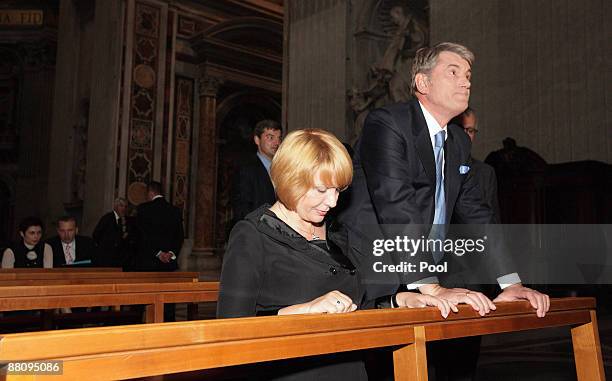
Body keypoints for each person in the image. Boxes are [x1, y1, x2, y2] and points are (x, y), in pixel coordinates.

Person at [218, 129, 453, 381]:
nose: (332, 201)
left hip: (349, 369)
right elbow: (230, 330)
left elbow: (354, 305)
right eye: (321, 190)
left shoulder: (336, 231)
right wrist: (305, 311)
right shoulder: (252, 234)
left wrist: (398, 301)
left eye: (338, 190)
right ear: (290, 179)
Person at [451, 107, 501, 222]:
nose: (465, 136)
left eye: (470, 131)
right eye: (461, 129)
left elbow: (492, 221)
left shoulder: (486, 173)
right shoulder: (437, 164)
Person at [231, 119, 282, 223]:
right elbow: (243, 211)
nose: (277, 143)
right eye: (270, 137)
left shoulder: (283, 169)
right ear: (257, 140)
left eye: (279, 138)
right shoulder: (246, 169)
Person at [134, 181, 184, 271]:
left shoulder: (143, 209)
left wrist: (158, 253)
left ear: (150, 192)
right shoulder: (175, 210)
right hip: (168, 264)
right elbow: (179, 236)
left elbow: (140, 236)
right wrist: (171, 253)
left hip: (148, 263)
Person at [92, 197, 134, 268]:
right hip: (106, 257)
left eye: (125, 206)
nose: (123, 209)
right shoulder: (107, 218)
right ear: (115, 206)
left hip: (119, 258)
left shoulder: (126, 220)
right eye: (121, 206)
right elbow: (96, 234)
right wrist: (104, 246)